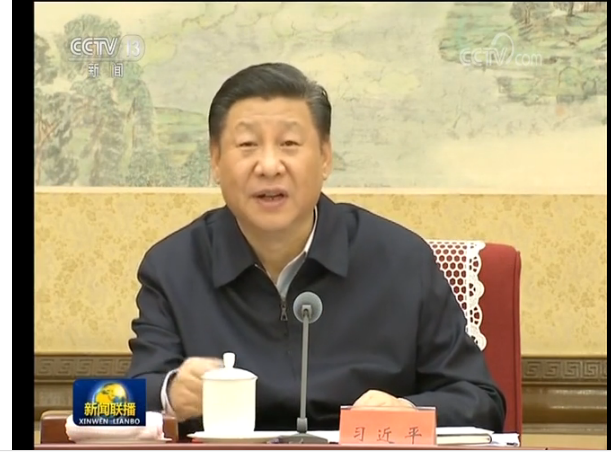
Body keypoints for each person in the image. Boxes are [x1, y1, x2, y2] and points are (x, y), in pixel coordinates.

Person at [126, 62, 506, 437]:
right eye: (247, 145)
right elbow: (123, 401)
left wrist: (408, 412)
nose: (269, 166)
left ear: (325, 157)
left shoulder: (401, 261)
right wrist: (169, 393)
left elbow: (480, 400)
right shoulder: (173, 267)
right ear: (215, 160)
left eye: (289, 144)